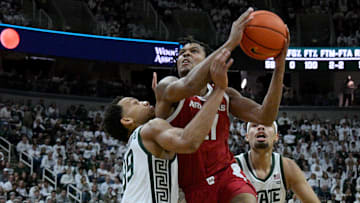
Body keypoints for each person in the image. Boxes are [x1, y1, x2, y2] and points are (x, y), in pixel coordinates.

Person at [153, 7, 289, 203]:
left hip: (225, 173)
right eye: (182, 53)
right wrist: (231, 42)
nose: (185, 55)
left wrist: (280, 66)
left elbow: (265, 116)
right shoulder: (167, 87)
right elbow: (190, 84)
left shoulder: (225, 94)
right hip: (187, 184)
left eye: (193, 51)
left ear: (208, 59)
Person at [103, 48, 233, 203]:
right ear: (127, 120)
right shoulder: (151, 128)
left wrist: (163, 102)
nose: (145, 102)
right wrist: (218, 91)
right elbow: (189, 142)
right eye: (135, 103)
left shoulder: (137, 147)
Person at [235, 122, 320, 203]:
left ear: (276, 137)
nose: (260, 127)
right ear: (247, 136)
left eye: (267, 124)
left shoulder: (287, 167)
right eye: (254, 125)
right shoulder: (234, 166)